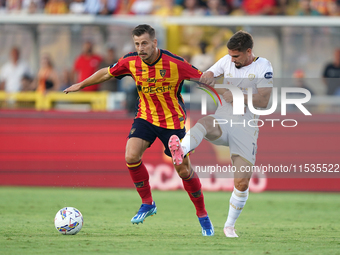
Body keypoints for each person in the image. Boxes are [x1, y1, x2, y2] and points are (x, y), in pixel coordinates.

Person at [63, 24, 214, 236]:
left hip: (172, 122)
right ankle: (148, 203)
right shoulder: (130, 62)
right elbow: (106, 74)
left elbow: (204, 79)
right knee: (131, 155)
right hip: (145, 117)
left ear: (154, 43)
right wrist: (81, 84)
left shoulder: (175, 63)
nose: (140, 48)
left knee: (183, 171)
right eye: (137, 44)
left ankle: (202, 214)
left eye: (144, 43)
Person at [169, 30, 273, 238]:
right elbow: (208, 74)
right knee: (206, 122)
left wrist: (238, 95)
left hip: (246, 128)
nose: (232, 60)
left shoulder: (264, 66)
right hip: (223, 121)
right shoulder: (226, 61)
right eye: (230, 55)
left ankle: (229, 226)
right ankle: (181, 149)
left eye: (236, 56)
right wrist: (207, 77)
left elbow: (263, 101)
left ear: (249, 52)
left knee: (242, 183)